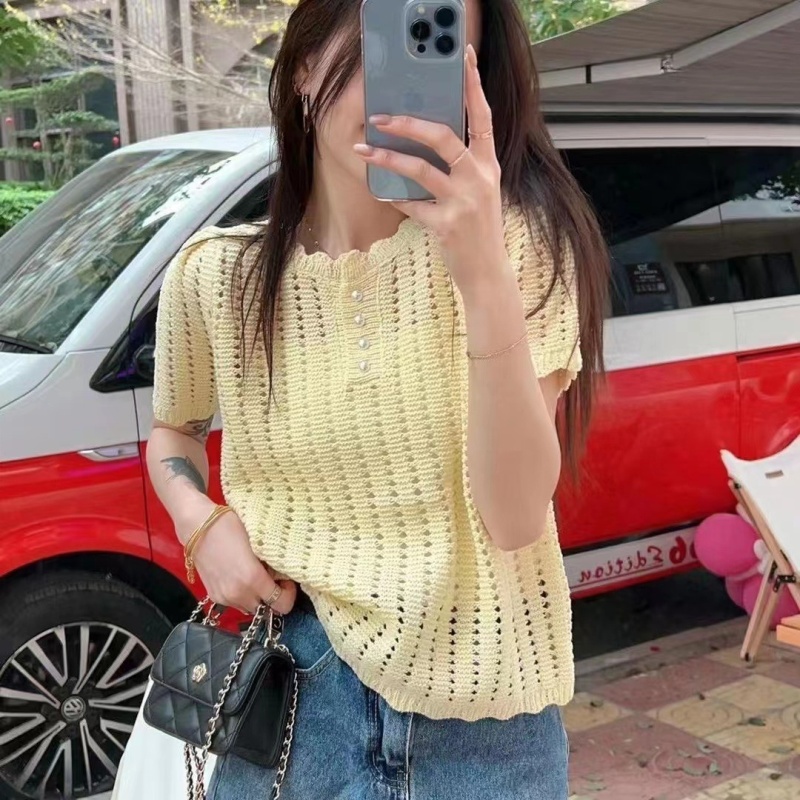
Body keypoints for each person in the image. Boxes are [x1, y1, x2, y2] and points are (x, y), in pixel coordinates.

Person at [146, 0, 609, 797]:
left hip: (483, 724)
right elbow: (173, 432)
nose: (399, 78)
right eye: (378, 38)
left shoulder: (524, 245)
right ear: (302, 66)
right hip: (290, 698)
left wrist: (480, 269)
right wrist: (202, 525)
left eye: (435, 44)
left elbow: (513, 516)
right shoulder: (217, 275)